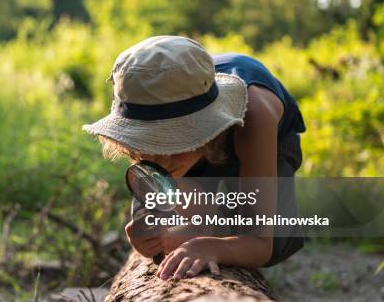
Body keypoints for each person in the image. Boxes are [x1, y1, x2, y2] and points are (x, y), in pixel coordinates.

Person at [83, 36, 305, 281]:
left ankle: (217, 220)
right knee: (180, 209)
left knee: (273, 233)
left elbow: (262, 244)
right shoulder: (146, 95)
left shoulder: (255, 117)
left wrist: (210, 246)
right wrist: (148, 233)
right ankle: (213, 216)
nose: (160, 160)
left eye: (174, 143)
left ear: (201, 127)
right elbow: (154, 215)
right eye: (147, 143)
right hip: (198, 140)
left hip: (258, 134)